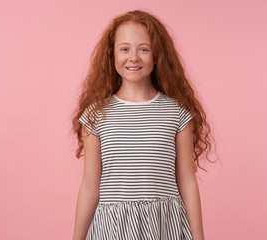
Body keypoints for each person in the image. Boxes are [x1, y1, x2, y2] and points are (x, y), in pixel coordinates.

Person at [72, 9, 216, 240]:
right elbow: (90, 184)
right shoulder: (95, 115)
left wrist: (198, 237)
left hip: (164, 224)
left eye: (144, 49)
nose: (134, 57)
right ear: (112, 55)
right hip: (112, 228)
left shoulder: (177, 112)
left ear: (157, 55)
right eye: (125, 48)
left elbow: (187, 180)